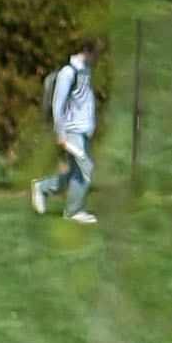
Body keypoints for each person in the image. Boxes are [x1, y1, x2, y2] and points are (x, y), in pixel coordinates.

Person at [32, 34, 103, 224]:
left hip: (82, 130)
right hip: (71, 131)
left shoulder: (86, 71)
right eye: (96, 54)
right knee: (86, 169)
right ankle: (73, 211)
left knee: (75, 174)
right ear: (86, 51)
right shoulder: (68, 73)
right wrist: (61, 133)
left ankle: (42, 187)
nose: (97, 58)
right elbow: (58, 104)